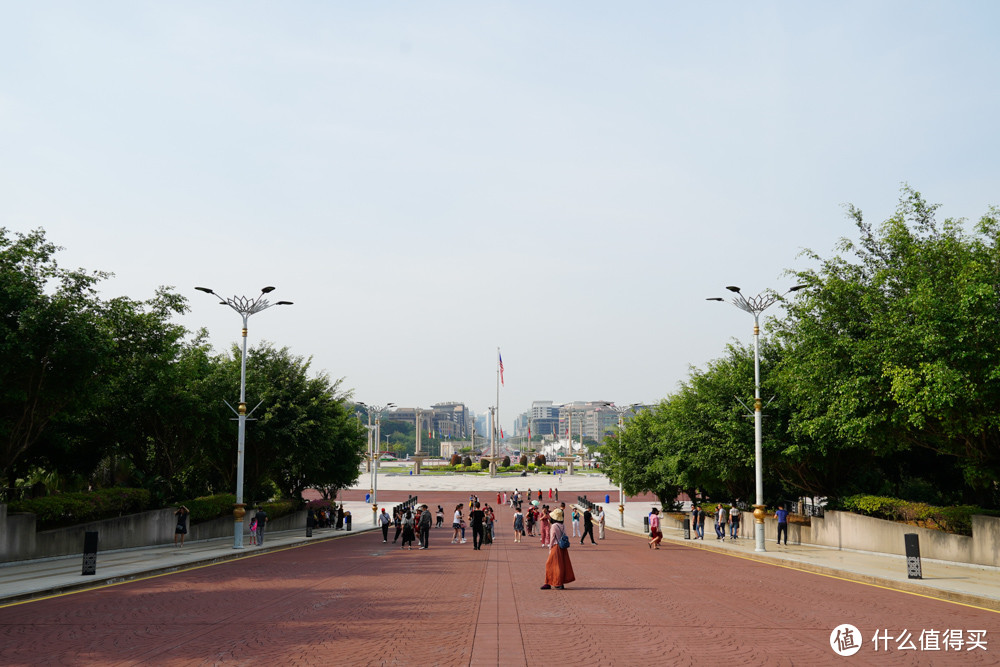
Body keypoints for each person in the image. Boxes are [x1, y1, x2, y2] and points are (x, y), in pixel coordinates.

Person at [540, 508, 575, 590]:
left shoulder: (554, 526)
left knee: (550, 564)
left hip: (555, 546)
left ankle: (552, 582)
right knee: (561, 565)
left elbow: (552, 538)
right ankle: (558, 582)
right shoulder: (563, 525)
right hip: (562, 547)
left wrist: (550, 547)